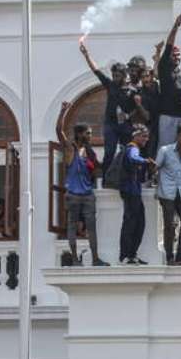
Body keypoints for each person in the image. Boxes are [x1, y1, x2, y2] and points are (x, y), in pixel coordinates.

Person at [56, 102, 108, 266]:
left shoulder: (89, 152)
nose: (90, 135)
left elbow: (97, 170)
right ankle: (74, 258)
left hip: (87, 195)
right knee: (72, 226)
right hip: (72, 195)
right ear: (79, 134)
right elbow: (59, 131)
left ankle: (95, 258)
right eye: (88, 133)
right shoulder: (70, 149)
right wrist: (63, 112)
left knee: (91, 228)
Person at [79, 42, 136, 178]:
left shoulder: (132, 90)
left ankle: (126, 175)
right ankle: (106, 178)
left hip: (125, 125)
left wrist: (128, 116)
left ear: (124, 75)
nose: (115, 78)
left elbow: (137, 108)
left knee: (127, 150)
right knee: (109, 151)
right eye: (114, 75)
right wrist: (87, 55)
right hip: (110, 124)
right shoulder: (110, 85)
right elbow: (96, 71)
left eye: (118, 76)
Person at [155, 122, 181, 266]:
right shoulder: (165, 150)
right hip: (166, 193)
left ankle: (180, 256)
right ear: (177, 136)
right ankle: (169, 258)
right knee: (170, 224)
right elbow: (156, 168)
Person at [119, 124, 154, 265]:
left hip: (134, 191)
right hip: (130, 191)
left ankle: (132, 255)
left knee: (139, 224)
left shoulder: (136, 149)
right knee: (131, 224)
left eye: (147, 136)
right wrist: (146, 161)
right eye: (144, 136)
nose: (146, 139)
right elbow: (133, 158)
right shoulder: (132, 148)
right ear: (136, 136)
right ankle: (125, 255)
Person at [157, 14, 181, 149]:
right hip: (167, 116)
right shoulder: (164, 68)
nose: (176, 58)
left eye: (178, 56)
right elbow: (169, 45)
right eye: (173, 55)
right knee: (166, 149)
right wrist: (175, 26)